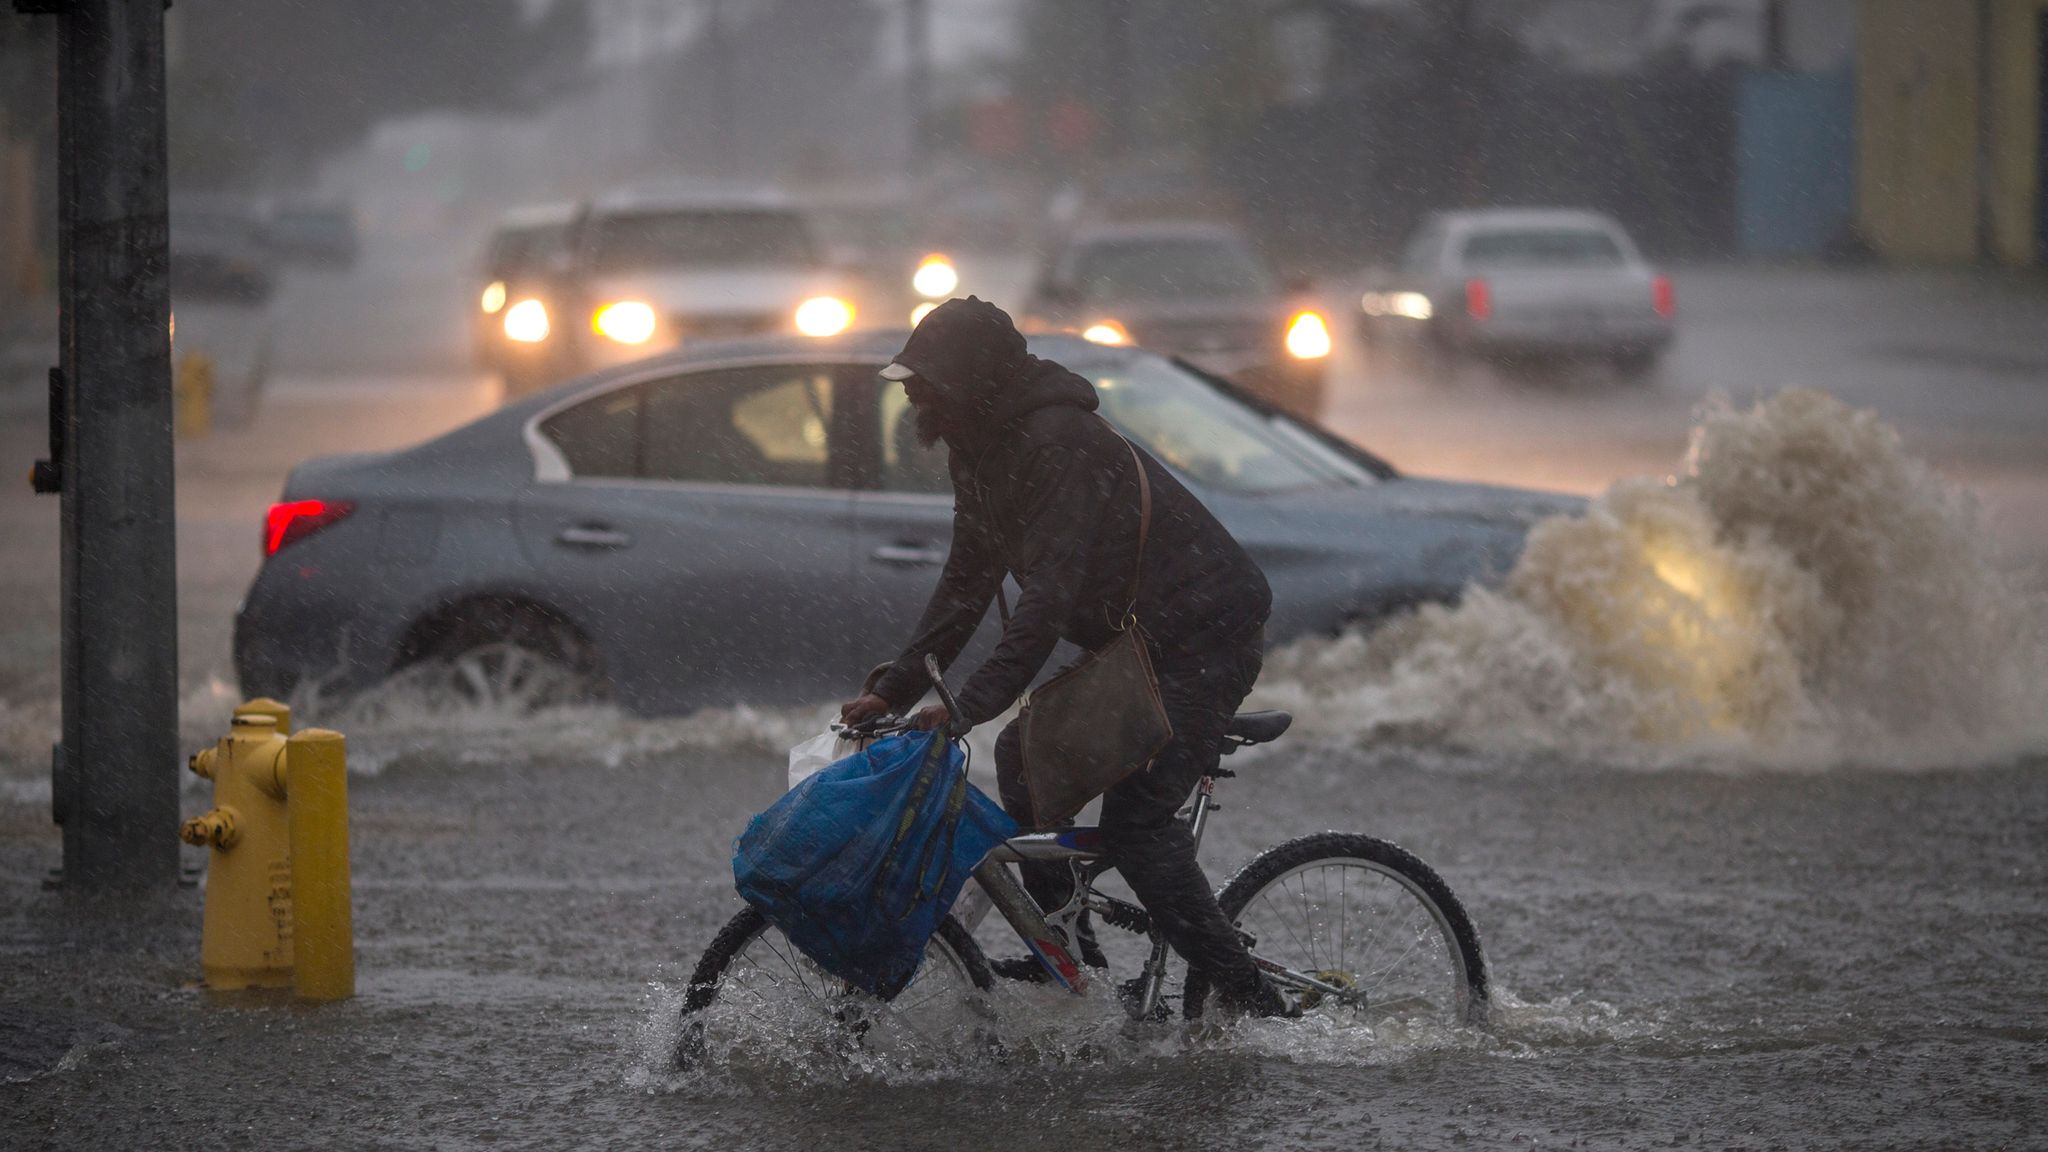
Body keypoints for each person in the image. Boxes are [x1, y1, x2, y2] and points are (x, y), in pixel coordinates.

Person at [840, 296, 1286, 1016]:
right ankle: (1076, 963)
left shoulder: (1055, 443)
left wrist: (963, 708)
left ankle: (1253, 999)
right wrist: (892, 691)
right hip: (1136, 645)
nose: (915, 397)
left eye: (928, 383)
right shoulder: (977, 446)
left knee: (1137, 827)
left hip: (1208, 638)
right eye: (910, 382)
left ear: (978, 381)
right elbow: (966, 584)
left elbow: (1045, 600)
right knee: (1023, 762)